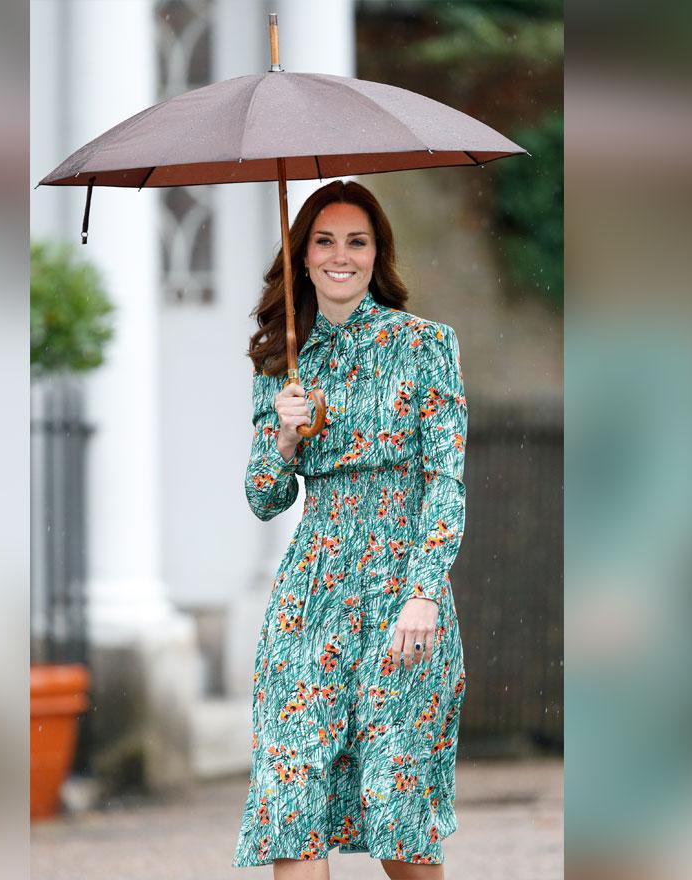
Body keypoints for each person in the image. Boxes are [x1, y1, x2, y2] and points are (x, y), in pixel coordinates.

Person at [231, 180, 468, 880]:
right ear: (301, 257)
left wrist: (425, 592)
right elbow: (263, 499)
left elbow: (445, 479)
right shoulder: (282, 361)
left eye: (356, 241)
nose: (341, 256)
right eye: (324, 241)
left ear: (377, 254)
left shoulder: (426, 345)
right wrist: (283, 436)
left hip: (402, 595)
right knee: (292, 793)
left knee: (398, 810)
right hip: (311, 599)